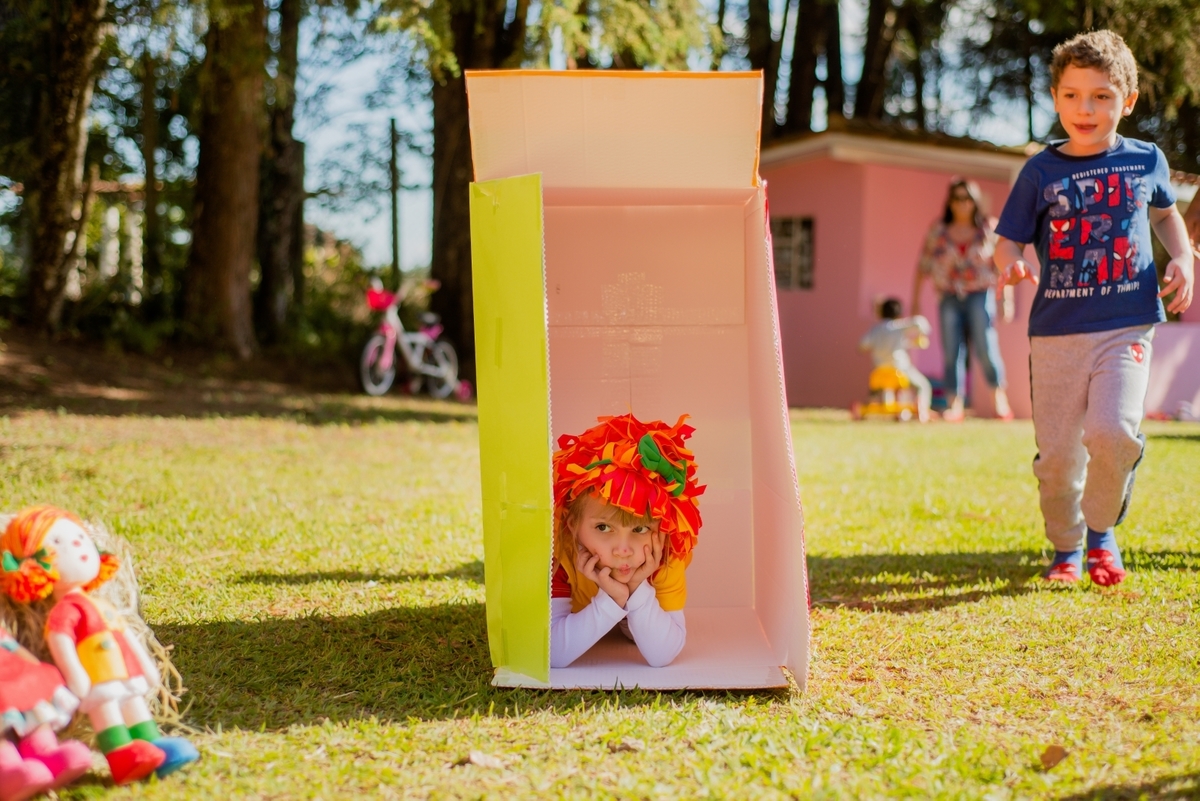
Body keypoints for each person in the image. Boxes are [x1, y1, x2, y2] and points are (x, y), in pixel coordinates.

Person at [992, 30, 1194, 586]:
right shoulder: (1039, 172)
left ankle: (1102, 533)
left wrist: (1182, 257)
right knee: (1058, 459)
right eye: (1073, 95)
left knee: (1113, 434)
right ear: (1055, 98)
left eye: (1101, 96)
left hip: (1127, 324)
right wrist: (1010, 264)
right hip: (1056, 334)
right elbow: (1007, 241)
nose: (1085, 109)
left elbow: (1165, 214)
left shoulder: (1146, 159)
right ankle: (1066, 546)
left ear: (1127, 101)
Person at [0, 506, 200, 783]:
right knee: (107, 711)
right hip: (97, 673)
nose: (76, 545)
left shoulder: (99, 604)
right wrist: (76, 676)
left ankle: (152, 742)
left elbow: (124, 634)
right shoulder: (65, 610)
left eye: (80, 538)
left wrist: (146, 666)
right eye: (58, 541)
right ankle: (120, 754)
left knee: (133, 705)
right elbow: (59, 638)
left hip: (124, 669)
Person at [550, 413, 704, 668]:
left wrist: (636, 589)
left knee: (638, 635)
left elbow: (661, 656)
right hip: (579, 615)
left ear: (662, 527)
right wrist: (610, 600)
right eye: (603, 527)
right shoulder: (560, 557)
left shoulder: (665, 557)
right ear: (572, 524)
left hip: (636, 620)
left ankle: (627, 616)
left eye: (640, 529)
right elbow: (553, 653)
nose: (623, 550)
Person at [913, 178, 1015, 421]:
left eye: (967, 198)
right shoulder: (938, 230)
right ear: (950, 202)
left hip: (980, 294)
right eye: (957, 198)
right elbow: (923, 265)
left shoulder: (989, 228)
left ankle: (998, 400)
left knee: (986, 346)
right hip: (948, 295)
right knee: (951, 351)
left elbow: (1003, 266)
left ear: (975, 201)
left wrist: (1006, 300)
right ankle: (954, 403)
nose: (962, 204)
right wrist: (915, 301)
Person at [859, 297, 933, 422]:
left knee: (883, 387)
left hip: (879, 372)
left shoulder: (875, 330)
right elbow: (920, 323)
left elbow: (861, 346)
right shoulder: (898, 326)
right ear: (899, 314)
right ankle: (923, 410)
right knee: (923, 385)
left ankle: (875, 405)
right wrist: (920, 333)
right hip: (900, 371)